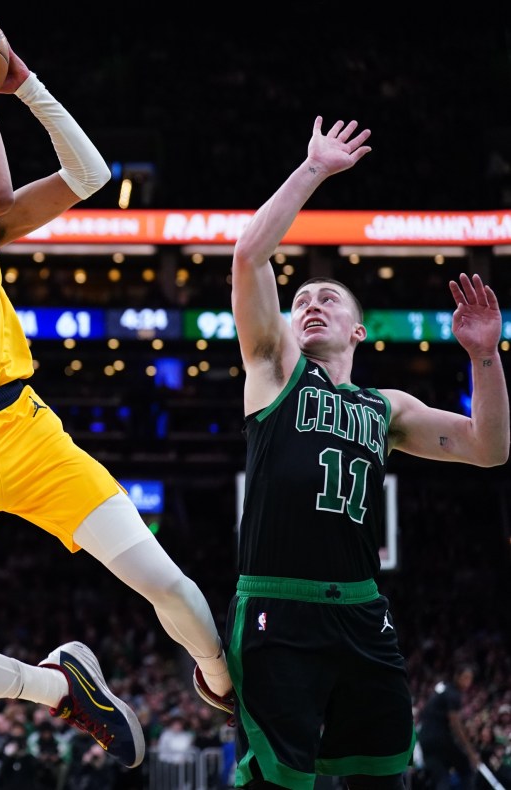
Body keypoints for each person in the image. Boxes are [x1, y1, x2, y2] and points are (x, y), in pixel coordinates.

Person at [0, 31, 232, 773]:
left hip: (30, 435)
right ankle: (54, 686)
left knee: (170, 586)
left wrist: (21, 83)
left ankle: (225, 684)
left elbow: (87, 174)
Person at [227, 116, 510, 789]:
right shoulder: (273, 367)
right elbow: (247, 256)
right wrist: (315, 170)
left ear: (358, 328)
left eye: (328, 296)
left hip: (361, 609)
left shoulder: (387, 408)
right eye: (301, 299)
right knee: (278, 781)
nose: (311, 303)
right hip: (278, 602)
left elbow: (490, 449)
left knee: (382, 776)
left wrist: (485, 358)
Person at [417, 664, 480, 790]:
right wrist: (470, 752)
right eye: (465, 677)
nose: (467, 682)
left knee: (442, 777)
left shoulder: (442, 689)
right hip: (439, 740)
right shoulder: (453, 694)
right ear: (457, 677)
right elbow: (455, 724)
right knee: (466, 767)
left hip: (424, 740)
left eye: (470, 679)